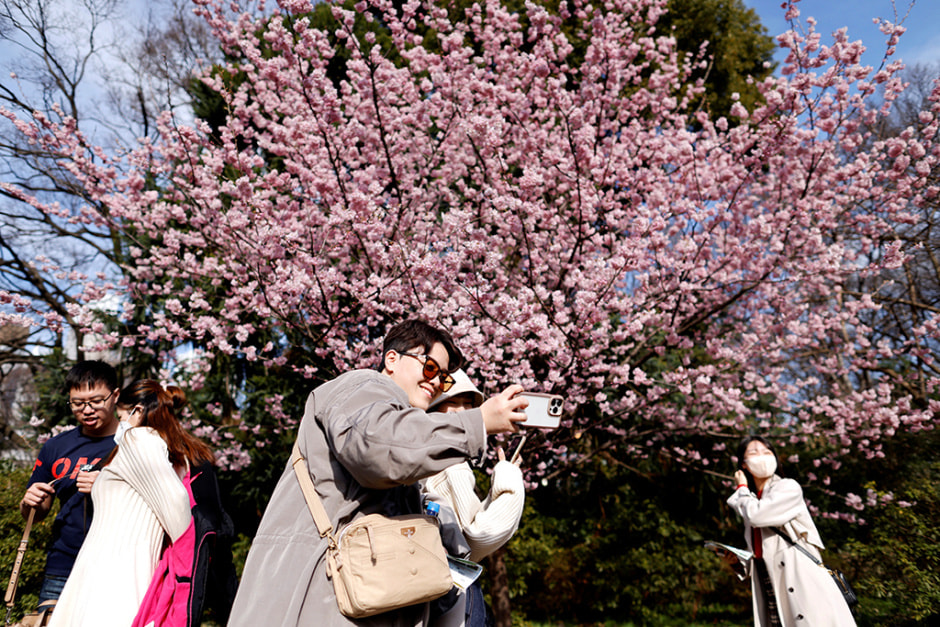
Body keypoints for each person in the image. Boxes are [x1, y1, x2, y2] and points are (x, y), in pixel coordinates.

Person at [229, 318, 528, 627]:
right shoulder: (363, 385)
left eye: (444, 378)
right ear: (391, 359)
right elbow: (379, 449)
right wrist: (477, 423)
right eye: (429, 368)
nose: (437, 382)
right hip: (324, 596)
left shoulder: (394, 416)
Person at [48, 380, 212, 627]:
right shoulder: (155, 445)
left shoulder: (139, 440)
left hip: (118, 569)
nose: (119, 421)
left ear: (137, 412)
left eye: (122, 414)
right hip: (108, 565)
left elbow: (176, 505)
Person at [424, 369, 526, 627]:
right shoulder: (450, 464)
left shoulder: (417, 457)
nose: (461, 411)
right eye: (451, 403)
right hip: (453, 589)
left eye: (468, 405)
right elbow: (474, 538)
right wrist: (510, 480)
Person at [20, 360, 121, 608]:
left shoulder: (134, 442)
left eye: (96, 401)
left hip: (119, 563)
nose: (87, 410)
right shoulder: (56, 447)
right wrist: (29, 502)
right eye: (77, 404)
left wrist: (107, 485)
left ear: (115, 396)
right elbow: (37, 513)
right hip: (63, 564)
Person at [726, 435, 856, 627]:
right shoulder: (752, 501)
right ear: (743, 465)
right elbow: (761, 552)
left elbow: (757, 516)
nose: (762, 457)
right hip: (769, 581)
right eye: (753, 453)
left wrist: (742, 489)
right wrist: (737, 562)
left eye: (767, 452)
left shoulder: (787, 487)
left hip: (801, 578)